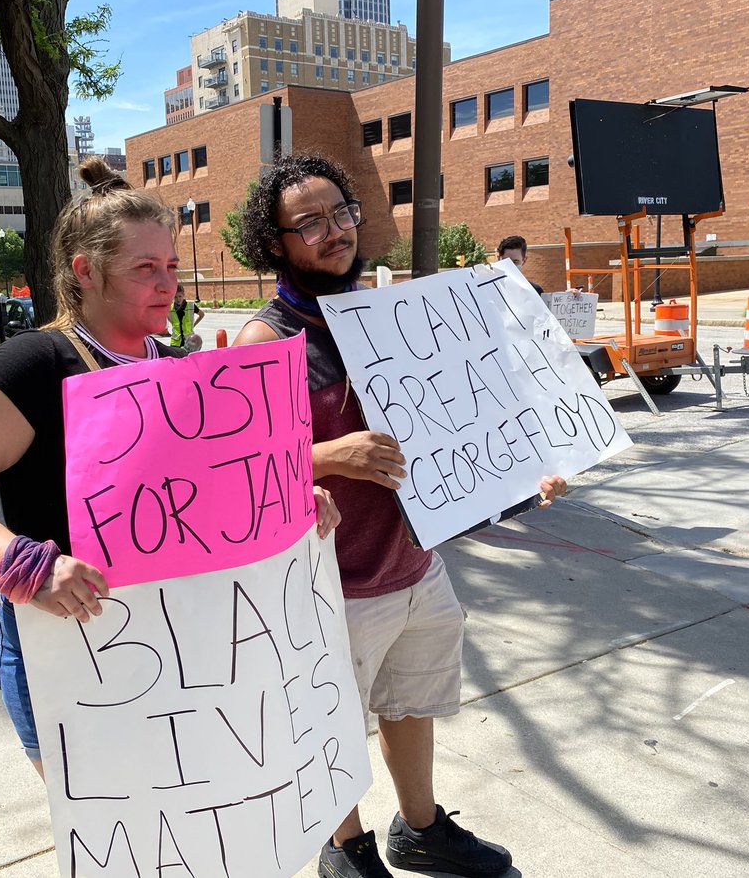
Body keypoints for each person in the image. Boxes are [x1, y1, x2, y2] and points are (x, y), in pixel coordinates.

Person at [0, 156, 343, 777]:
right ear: (85, 271)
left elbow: (209, 494)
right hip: (66, 645)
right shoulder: (33, 363)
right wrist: (27, 566)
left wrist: (293, 504)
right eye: (146, 269)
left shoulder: (179, 366)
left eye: (170, 266)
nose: (168, 284)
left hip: (179, 647)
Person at [234, 154, 567, 878]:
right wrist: (327, 456)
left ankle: (419, 829)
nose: (334, 232)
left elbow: (474, 413)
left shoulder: (398, 312)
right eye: (309, 223)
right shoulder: (264, 342)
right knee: (332, 724)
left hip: (414, 564)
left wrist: (522, 469)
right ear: (277, 243)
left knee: (412, 704)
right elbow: (239, 470)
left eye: (342, 213)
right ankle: (343, 846)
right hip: (333, 581)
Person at [167, 282, 205, 351]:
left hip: (189, 341)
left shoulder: (191, 306)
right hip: (175, 341)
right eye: (175, 297)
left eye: (180, 296)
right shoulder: (170, 308)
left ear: (183, 295)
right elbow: (167, 316)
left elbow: (201, 314)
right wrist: (173, 323)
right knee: (176, 360)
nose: (178, 299)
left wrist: (193, 325)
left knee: (189, 359)